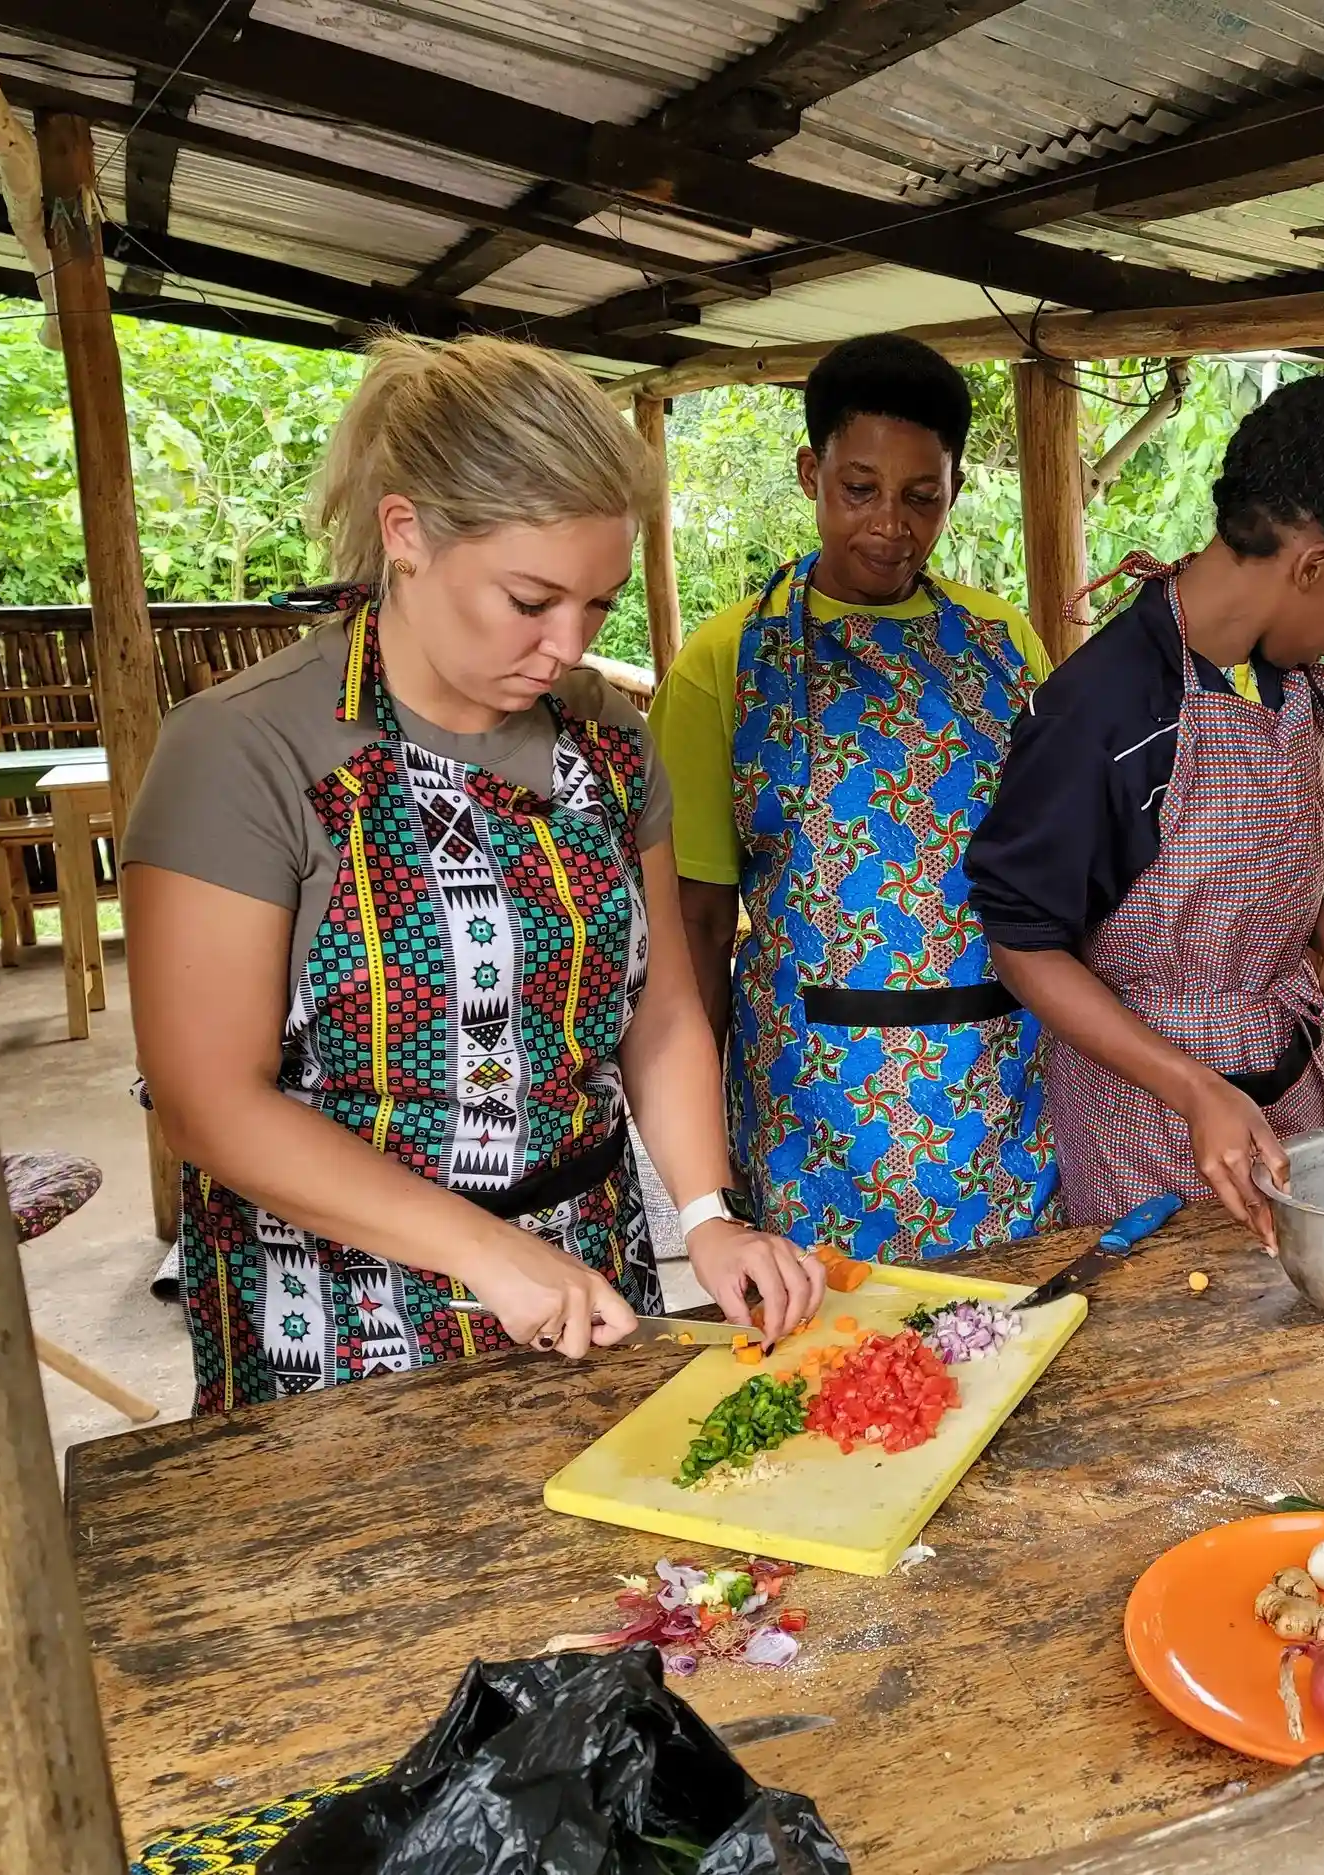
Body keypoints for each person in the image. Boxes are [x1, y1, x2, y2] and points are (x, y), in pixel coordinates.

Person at [126, 334, 821, 1415]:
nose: (566, 644)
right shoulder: (246, 749)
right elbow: (208, 1101)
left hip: (592, 1273)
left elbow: (665, 1011)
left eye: (597, 605)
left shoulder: (604, 742)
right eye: (531, 599)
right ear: (405, 533)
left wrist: (705, 1216)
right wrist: (487, 1255)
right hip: (332, 1306)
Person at [966, 370, 1324, 1242]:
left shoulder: (1283, 675)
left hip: (1291, 1091)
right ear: (1312, 565)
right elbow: (1019, 942)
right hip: (1148, 1131)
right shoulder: (1108, 708)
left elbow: (1243, 864)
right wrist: (1195, 1087)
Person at [647, 334, 1057, 1262]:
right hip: (807, 1096)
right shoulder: (727, 661)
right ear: (810, 473)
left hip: (992, 1080)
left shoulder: (1005, 644)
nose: (890, 526)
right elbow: (702, 921)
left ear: (954, 489)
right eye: (859, 490)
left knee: (1007, 1333)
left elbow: (1055, 863)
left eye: (923, 498)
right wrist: (704, 1169)